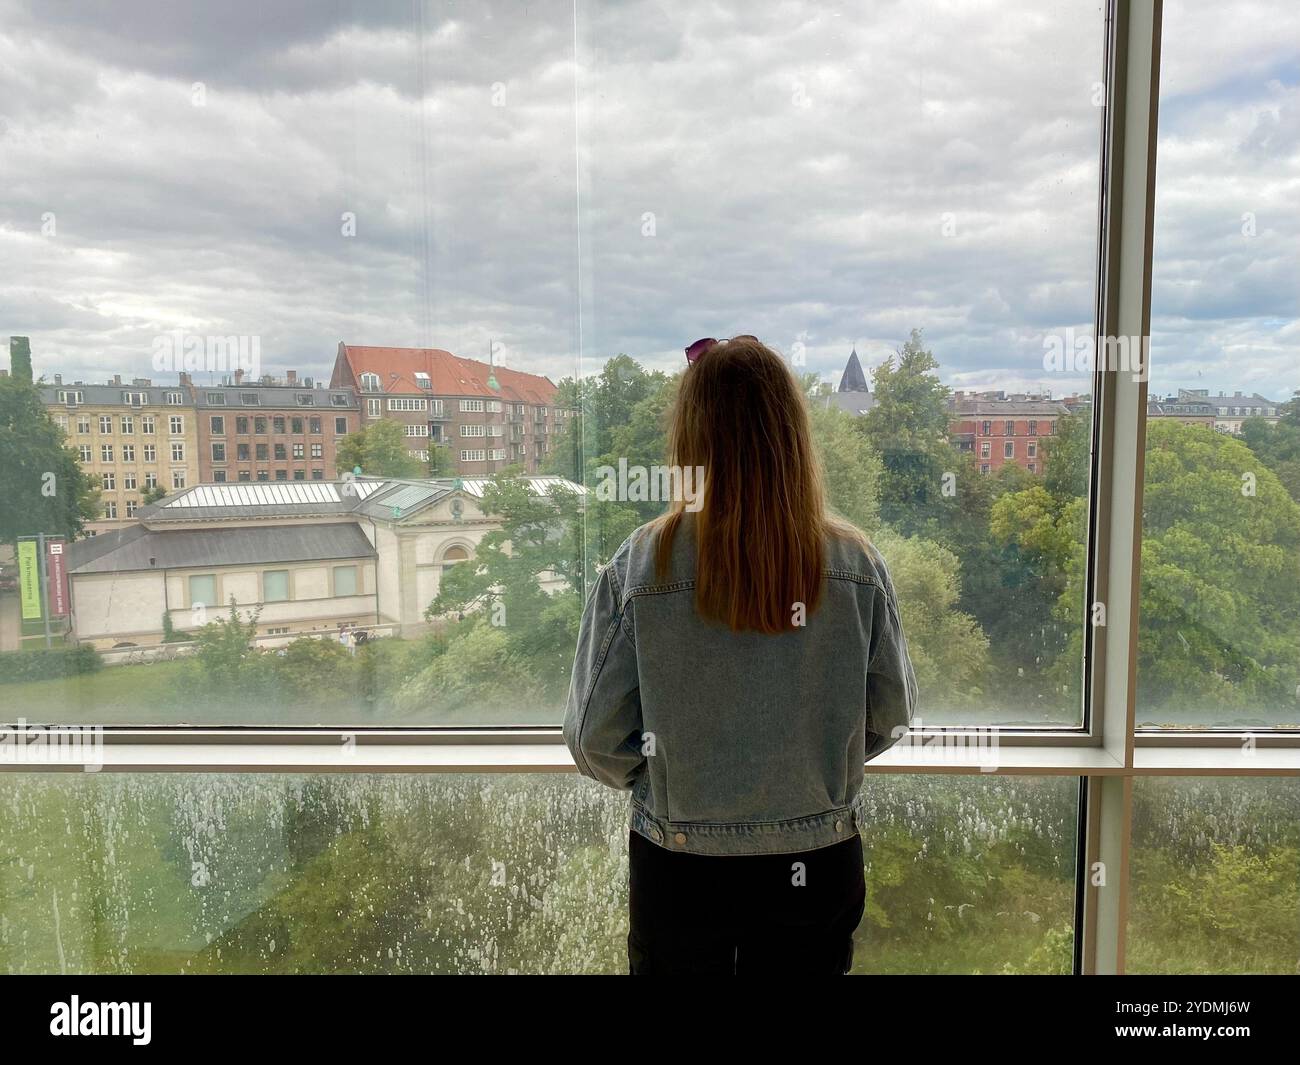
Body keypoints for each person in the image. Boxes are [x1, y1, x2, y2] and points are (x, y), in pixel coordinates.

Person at [564, 335, 918, 975]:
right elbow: (889, 713)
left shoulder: (642, 565)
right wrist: (817, 769)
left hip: (680, 870)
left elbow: (594, 739)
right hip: (817, 862)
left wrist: (669, 785)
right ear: (792, 435)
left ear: (690, 441)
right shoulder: (855, 564)